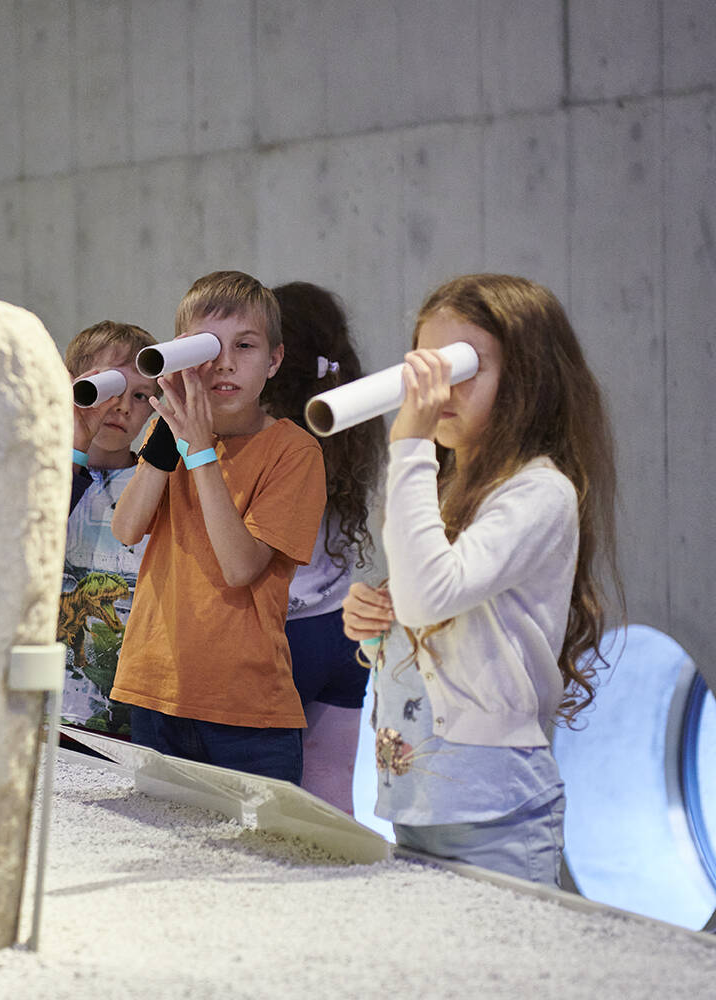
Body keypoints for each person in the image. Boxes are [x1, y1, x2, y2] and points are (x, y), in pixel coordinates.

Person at [341, 273, 623, 885]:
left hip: (495, 808)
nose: (439, 389)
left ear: (525, 380)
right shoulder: (443, 487)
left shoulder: (539, 491)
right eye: (429, 366)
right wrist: (373, 622)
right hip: (420, 795)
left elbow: (429, 596)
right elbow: (432, 623)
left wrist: (410, 445)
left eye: (461, 367)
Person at [110, 270, 327, 784]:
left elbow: (240, 566)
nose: (224, 364)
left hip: (247, 716)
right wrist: (173, 434)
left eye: (245, 346)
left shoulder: (294, 452)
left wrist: (201, 451)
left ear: (273, 360)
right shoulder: (172, 431)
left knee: (251, 864)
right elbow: (127, 527)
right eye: (207, 348)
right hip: (154, 692)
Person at [261, 282, 384, 812]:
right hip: (340, 633)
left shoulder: (266, 429)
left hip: (279, 632)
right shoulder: (357, 414)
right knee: (332, 803)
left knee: (261, 810)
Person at [59, 320, 158, 738]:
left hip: (129, 712)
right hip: (45, 706)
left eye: (140, 396)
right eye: (109, 389)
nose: (121, 407)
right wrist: (74, 443)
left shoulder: (155, 483)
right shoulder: (40, 472)